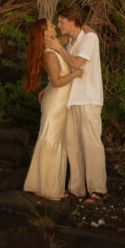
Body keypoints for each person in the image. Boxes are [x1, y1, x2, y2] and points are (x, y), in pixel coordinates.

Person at [22, 17, 83, 201]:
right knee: (52, 142)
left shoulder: (52, 48)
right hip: (56, 103)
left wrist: (81, 27)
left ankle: (44, 186)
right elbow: (57, 82)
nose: (55, 26)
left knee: (53, 141)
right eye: (50, 25)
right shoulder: (49, 53)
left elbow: (65, 38)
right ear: (45, 33)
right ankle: (48, 189)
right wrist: (76, 74)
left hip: (57, 100)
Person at [51, 7, 107, 202]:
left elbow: (77, 64)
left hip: (89, 98)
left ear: (72, 20)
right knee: (72, 145)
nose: (59, 25)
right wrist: (48, 88)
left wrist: (58, 48)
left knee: (91, 143)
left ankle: (97, 189)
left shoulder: (89, 38)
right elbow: (66, 69)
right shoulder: (71, 42)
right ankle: (76, 188)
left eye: (61, 21)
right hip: (72, 98)